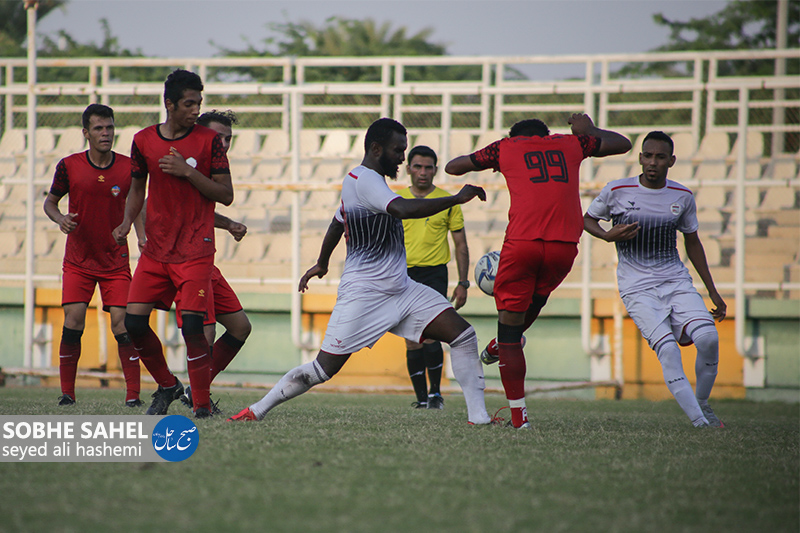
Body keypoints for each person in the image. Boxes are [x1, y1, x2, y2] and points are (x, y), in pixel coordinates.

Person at [228, 118, 493, 425]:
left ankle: (479, 418)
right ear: (376, 148)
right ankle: (256, 410)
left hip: (402, 290)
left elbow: (338, 221)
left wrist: (322, 262)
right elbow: (402, 209)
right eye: (397, 150)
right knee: (321, 370)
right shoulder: (365, 180)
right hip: (365, 295)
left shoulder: (363, 180)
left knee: (463, 335)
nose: (402, 158)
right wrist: (456, 199)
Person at [446, 114, 631, 428]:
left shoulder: (505, 147)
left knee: (510, 334)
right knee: (530, 308)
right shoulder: (572, 143)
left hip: (523, 243)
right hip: (564, 246)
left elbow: (453, 167)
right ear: (546, 135)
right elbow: (623, 144)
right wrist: (589, 130)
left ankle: (519, 419)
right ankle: (500, 345)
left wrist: (489, 162)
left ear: (514, 137)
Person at [583, 131, 726, 428]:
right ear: (640, 158)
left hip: (675, 280)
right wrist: (607, 235)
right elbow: (586, 219)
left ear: (671, 161)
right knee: (669, 350)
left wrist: (712, 291)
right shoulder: (617, 190)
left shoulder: (682, 196)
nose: (652, 162)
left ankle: (702, 403)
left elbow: (693, 242)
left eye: (660, 157)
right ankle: (701, 423)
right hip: (636, 287)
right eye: (647, 156)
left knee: (709, 338)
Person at [112, 69, 233, 418]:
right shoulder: (143, 140)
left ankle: (201, 405)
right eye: (189, 104)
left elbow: (226, 194)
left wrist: (188, 171)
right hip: (156, 250)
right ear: (169, 104)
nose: (196, 110)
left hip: (195, 249)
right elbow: (137, 189)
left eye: (199, 103)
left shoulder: (209, 142)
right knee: (133, 323)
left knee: (193, 328)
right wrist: (126, 222)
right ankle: (167, 385)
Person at [43, 104, 145, 407]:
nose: (105, 133)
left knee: (123, 324)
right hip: (79, 260)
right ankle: (67, 394)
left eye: (109, 127)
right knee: (74, 321)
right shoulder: (69, 165)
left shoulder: (129, 167)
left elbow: (137, 203)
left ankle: (133, 396)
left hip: (115, 261)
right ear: (86, 133)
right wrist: (60, 219)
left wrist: (141, 236)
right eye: (99, 128)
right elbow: (50, 203)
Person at [174, 110, 252, 410]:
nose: (224, 144)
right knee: (204, 332)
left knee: (240, 327)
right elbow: (149, 204)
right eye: (218, 137)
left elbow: (201, 210)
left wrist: (228, 224)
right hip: (185, 261)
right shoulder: (184, 166)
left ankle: (195, 391)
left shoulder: (211, 169)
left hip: (206, 260)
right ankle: (197, 400)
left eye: (228, 139)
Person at [398, 145, 470, 410]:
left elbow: (461, 244)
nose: (423, 172)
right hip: (403, 274)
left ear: (435, 170)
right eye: (417, 166)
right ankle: (420, 399)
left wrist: (463, 283)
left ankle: (435, 395)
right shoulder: (396, 201)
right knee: (411, 338)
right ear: (408, 169)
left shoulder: (447, 202)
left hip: (434, 274)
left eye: (428, 167)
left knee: (430, 334)